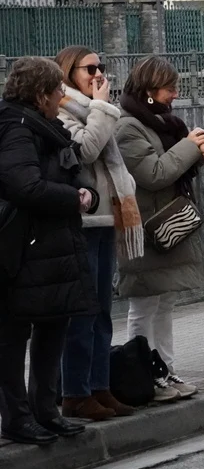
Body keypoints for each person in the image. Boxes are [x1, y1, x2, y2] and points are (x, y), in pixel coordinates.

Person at [0, 57, 97, 445]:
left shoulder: (44, 126)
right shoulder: (16, 128)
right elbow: (24, 185)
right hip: (24, 251)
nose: (62, 97)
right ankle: (17, 417)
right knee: (13, 337)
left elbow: (68, 172)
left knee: (53, 327)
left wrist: (85, 194)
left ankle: (46, 410)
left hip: (51, 248)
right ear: (40, 94)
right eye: (58, 90)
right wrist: (73, 198)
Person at [117, 56, 204, 402]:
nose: (175, 94)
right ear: (149, 90)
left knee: (164, 304)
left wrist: (196, 148)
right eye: (169, 88)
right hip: (145, 231)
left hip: (163, 229)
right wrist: (191, 144)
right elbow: (155, 173)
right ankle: (143, 375)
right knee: (144, 306)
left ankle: (165, 369)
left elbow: (174, 164)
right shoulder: (127, 127)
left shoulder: (161, 123)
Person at [54, 47, 142, 421]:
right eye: (90, 68)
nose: (98, 74)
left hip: (107, 219)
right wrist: (102, 107)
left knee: (103, 311)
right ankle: (75, 392)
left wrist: (99, 108)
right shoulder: (62, 109)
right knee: (83, 312)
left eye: (101, 67)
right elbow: (86, 151)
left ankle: (99, 384)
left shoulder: (92, 108)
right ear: (69, 71)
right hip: (84, 222)